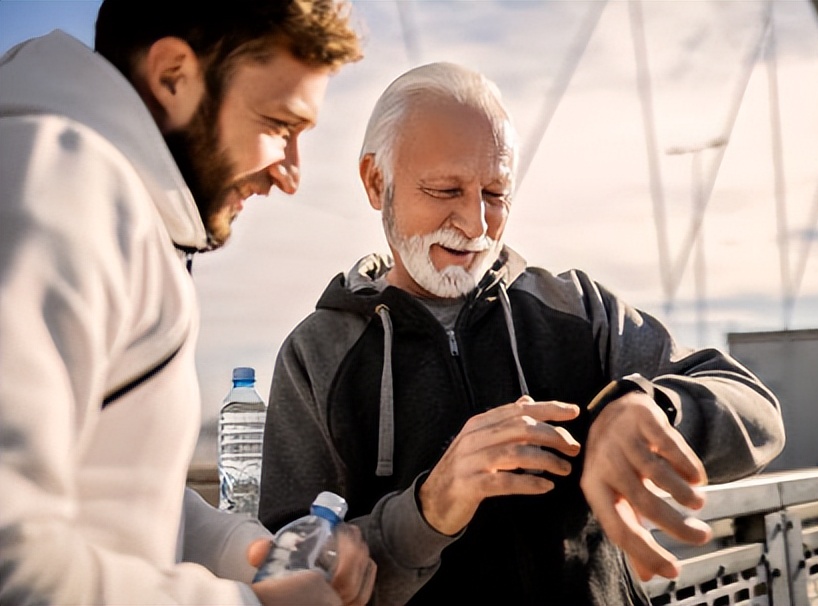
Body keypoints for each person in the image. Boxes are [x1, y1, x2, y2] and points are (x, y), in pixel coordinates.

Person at [257, 61, 786, 606]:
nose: (476, 224)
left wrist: (655, 408)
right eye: (445, 189)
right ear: (376, 181)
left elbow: (758, 410)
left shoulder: (578, 309)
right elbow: (287, 565)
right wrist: (429, 510)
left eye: (495, 192)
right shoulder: (316, 354)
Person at [0, 1, 377, 604]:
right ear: (173, 75)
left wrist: (243, 553)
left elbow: (105, 482)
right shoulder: (52, 186)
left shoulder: (111, 201)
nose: (292, 175)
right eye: (280, 125)